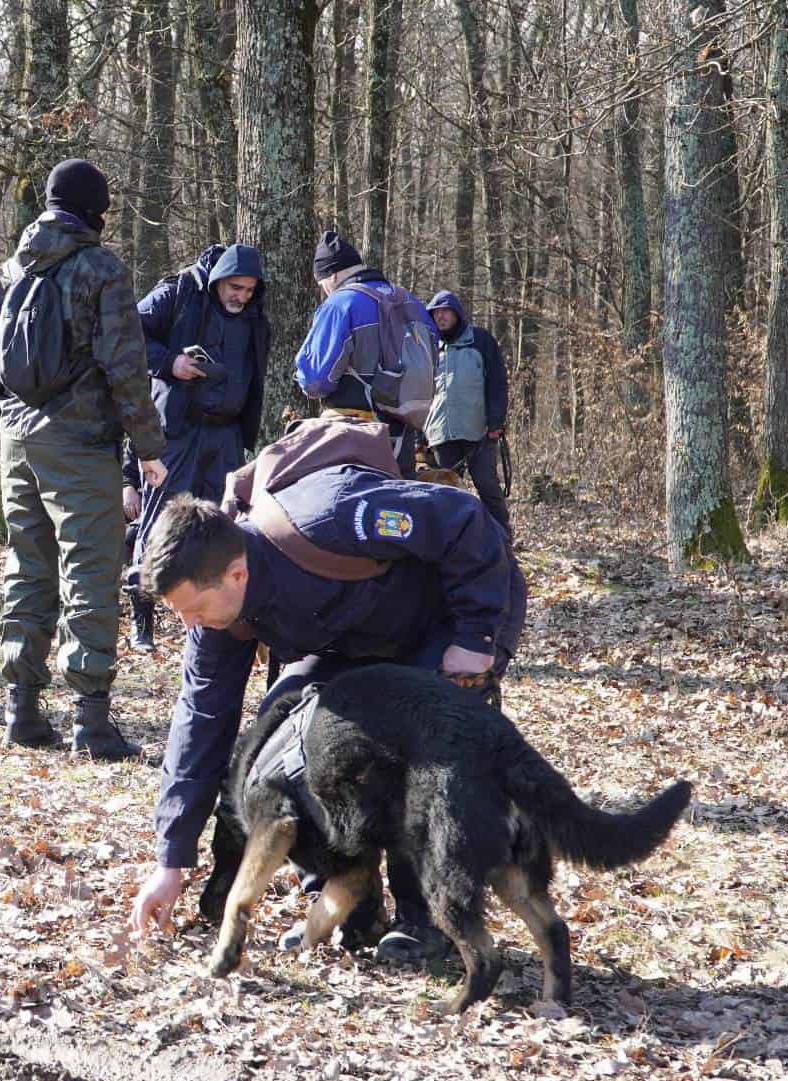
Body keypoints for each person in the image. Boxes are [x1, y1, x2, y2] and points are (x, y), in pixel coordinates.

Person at [126, 443, 525, 960]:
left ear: (236, 575)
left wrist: (475, 639)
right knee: (277, 748)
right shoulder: (214, 604)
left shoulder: (332, 515)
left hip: (450, 617)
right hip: (354, 640)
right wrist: (171, 861)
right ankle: (346, 905)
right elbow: (201, 719)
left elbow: (462, 520)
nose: (189, 625)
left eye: (194, 610)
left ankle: (429, 920)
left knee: (418, 749)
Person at [0, 158, 169, 759]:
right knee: (90, 574)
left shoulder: (4, 273)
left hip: (19, 441)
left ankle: (21, 711)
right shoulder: (101, 269)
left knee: (26, 570)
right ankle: (91, 721)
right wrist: (148, 447)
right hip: (80, 444)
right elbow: (125, 366)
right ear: (94, 211)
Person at [125, 243, 271, 651]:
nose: (240, 295)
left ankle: (209, 621)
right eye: (234, 287)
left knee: (221, 527)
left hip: (226, 435)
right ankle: (143, 621)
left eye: (248, 289)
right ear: (219, 279)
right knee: (157, 522)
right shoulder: (179, 292)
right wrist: (169, 363)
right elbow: (128, 328)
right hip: (177, 433)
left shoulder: (256, 316)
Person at [295, 231, 435, 476]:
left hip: (353, 437)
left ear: (333, 275)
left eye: (322, 285)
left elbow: (316, 381)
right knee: (394, 509)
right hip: (403, 436)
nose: (324, 291)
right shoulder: (412, 302)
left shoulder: (341, 305)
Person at [424, 290, 511, 531]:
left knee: (487, 486)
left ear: (457, 313)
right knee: (446, 493)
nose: (440, 317)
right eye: (435, 313)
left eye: (445, 311)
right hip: (440, 433)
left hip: (478, 432)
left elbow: (497, 383)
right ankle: (452, 544)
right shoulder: (429, 346)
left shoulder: (480, 341)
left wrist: (496, 422)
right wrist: (419, 432)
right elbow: (420, 391)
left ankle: (502, 537)